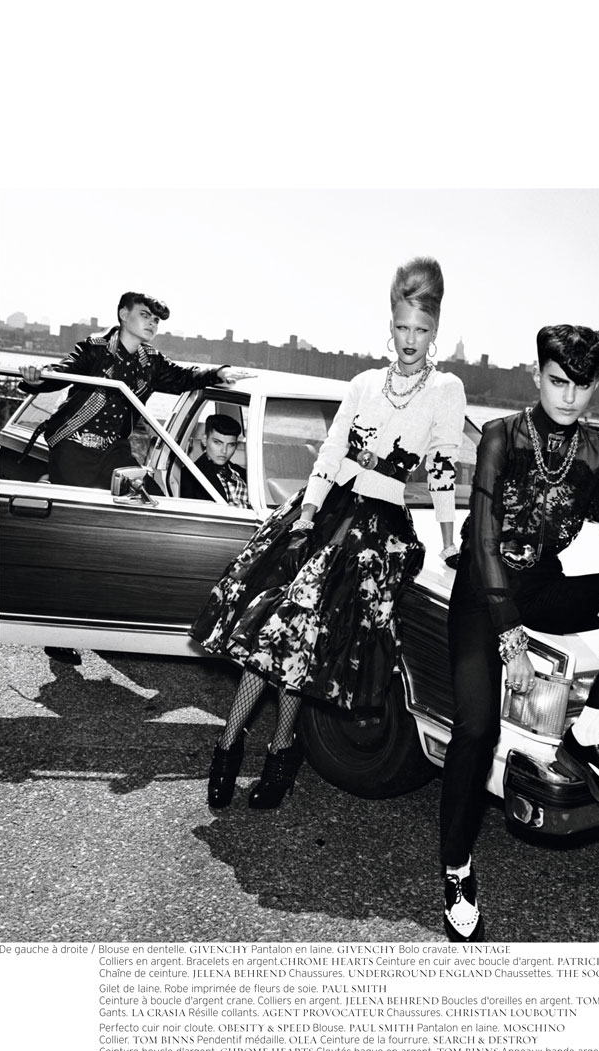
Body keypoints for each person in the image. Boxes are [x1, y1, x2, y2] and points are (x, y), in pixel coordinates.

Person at [190, 257, 467, 810]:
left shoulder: (446, 389)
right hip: (324, 515)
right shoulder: (364, 383)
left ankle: (280, 751)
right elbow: (332, 451)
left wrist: (449, 539)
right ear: (389, 325)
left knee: (305, 646)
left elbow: (442, 467)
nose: (410, 340)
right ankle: (228, 746)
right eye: (402, 327)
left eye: (421, 330)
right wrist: (306, 516)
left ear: (435, 330)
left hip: (376, 532)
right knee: (272, 634)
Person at [439, 325, 599, 943]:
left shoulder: (598, 453)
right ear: (538, 375)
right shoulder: (501, 437)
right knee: (477, 729)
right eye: (558, 382)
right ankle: (458, 869)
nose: (569, 397)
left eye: (583, 385)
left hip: (543, 587)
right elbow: (484, 542)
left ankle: (588, 736)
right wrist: (512, 641)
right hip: (482, 591)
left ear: (596, 384)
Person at [18, 291, 234, 664]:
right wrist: (35, 379)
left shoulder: (152, 361)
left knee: (143, 512)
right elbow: (60, 372)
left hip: (113, 452)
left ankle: (113, 618)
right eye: (145, 315)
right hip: (73, 446)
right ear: (123, 314)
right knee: (78, 536)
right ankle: (58, 632)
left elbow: (184, 377)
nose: (152, 323)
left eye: (156, 320)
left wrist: (219, 373)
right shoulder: (94, 349)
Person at [179, 414, 249, 506]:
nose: (224, 451)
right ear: (205, 440)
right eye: (217, 442)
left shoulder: (243, 473)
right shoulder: (188, 476)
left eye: (231, 444)